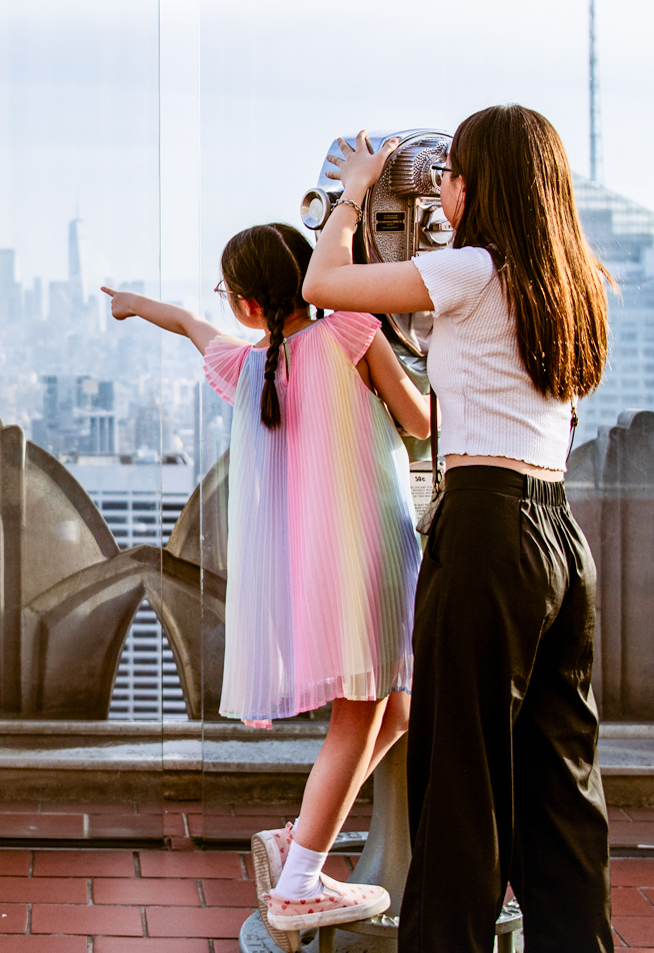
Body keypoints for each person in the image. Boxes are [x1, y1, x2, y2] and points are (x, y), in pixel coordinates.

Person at [301, 107, 614, 952]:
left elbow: (322, 287)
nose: (440, 187)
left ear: (481, 186)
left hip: (485, 532)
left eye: (451, 174)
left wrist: (355, 195)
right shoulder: (575, 276)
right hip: (559, 539)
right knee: (562, 787)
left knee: (460, 787)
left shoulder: (470, 270)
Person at [103, 222, 429, 950]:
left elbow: (191, 325)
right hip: (372, 555)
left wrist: (132, 304)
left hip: (315, 573)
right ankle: (299, 883)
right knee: (362, 712)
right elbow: (419, 423)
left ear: (248, 304)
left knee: (400, 708)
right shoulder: (351, 330)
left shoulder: (249, 368)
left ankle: (298, 839)